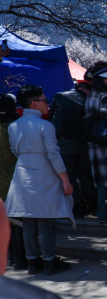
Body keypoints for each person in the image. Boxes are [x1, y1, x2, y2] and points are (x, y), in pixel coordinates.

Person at [6, 85, 75, 275]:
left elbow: (15, 151)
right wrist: (65, 179)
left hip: (22, 173)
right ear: (34, 103)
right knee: (45, 220)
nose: (48, 103)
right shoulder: (45, 125)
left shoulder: (13, 126)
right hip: (44, 174)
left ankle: (32, 262)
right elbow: (53, 154)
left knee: (28, 220)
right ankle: (50, 261)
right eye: (45, 100)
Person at [49, 79, 96, 219]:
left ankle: (77, 209)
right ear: (88, 91)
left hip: (64, 142)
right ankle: (93, 207)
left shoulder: (60, 96)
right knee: (86, 176)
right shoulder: (89, 101)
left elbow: (51, 117)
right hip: (83, 143)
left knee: (70, 177)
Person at [84, 64, 107, 224]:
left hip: (95, 144)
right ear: (104, 80)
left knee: (102, 181)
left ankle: (103, 212)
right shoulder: (106, 97)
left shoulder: (91, 95)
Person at [1, 93, 26, 271]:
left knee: (5, 219)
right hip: (16, 178)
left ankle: (9, 257)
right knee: (17, 219)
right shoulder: (16, 126)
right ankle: (21, 258)